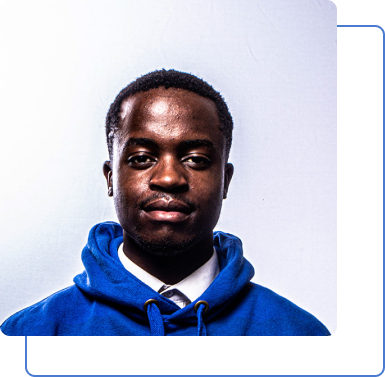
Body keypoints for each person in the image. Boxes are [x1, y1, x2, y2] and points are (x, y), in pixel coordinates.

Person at [0, 69, 331, 336]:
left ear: (225, 181)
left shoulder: (299, 333)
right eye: (142, 158)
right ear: (111, 178)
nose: (169, 178)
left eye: (196, 159)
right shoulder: (30, 333)